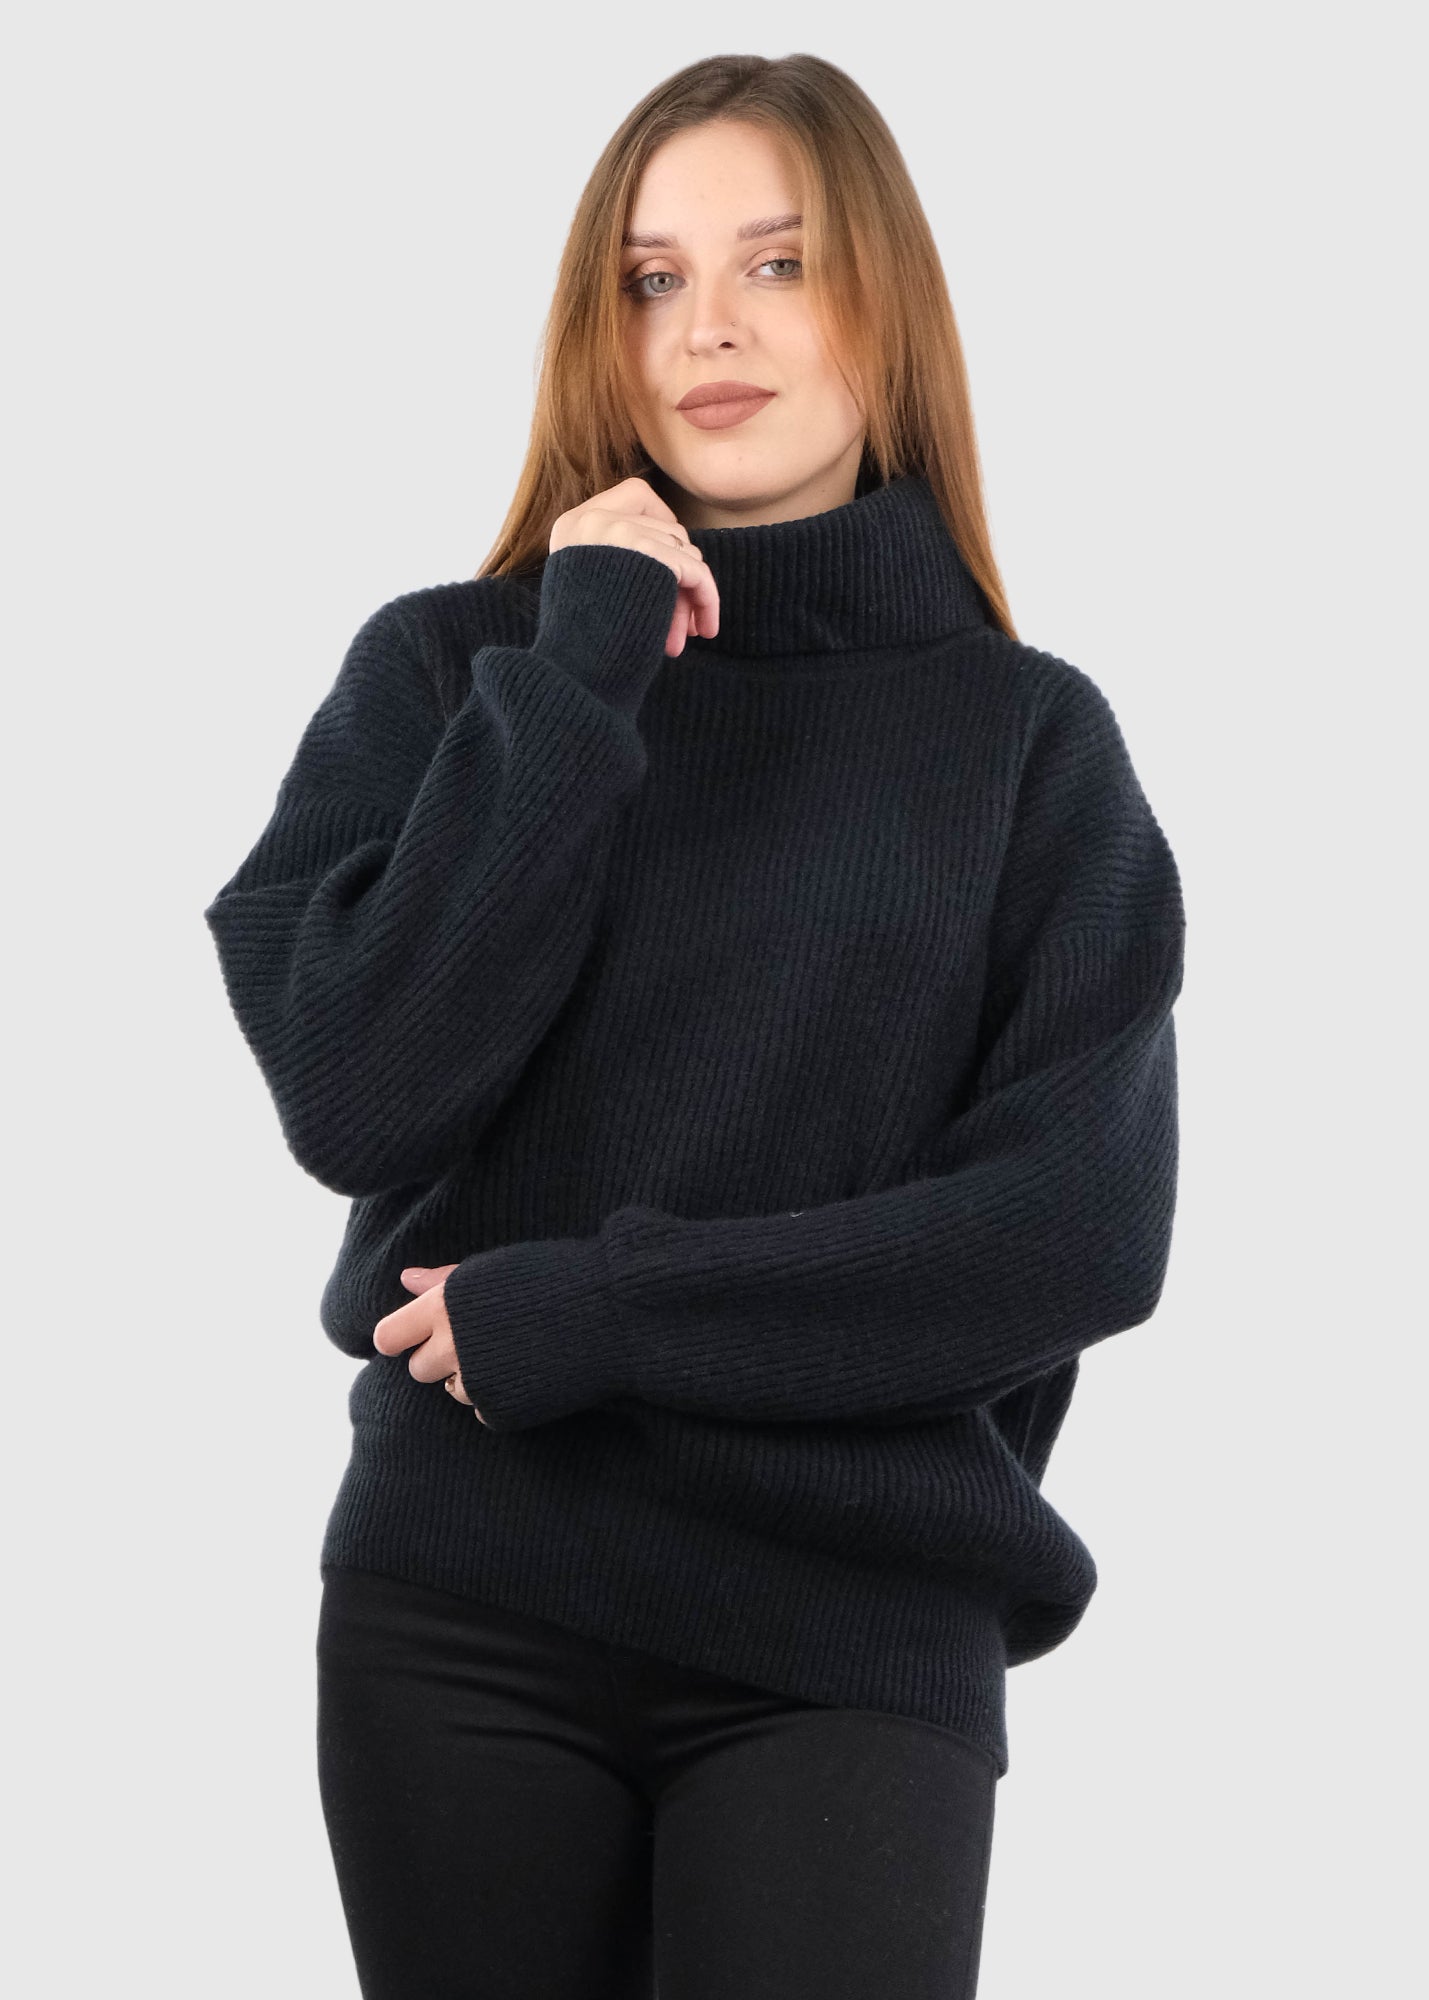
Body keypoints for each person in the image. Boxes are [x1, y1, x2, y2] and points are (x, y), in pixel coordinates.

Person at [202, 51, 1185, 2000]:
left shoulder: (1025, 742)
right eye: (649, 278)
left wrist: (609, 1311)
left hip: (849, 1639)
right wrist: (577, 668)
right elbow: (359, 1089)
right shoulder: (449, 672)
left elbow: (1072, 1231)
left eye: (777, 263)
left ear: (886, 306)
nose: (706, 327)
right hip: (462, 1613)